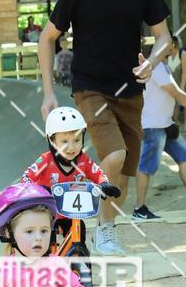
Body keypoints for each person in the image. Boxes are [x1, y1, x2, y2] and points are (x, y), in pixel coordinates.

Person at [39, 0, 172, 255]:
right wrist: (49, 92)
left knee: (123, 174)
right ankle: (94, 219)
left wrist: (152, 63)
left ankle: (100, 221)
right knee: (113, 154)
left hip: (131, 90)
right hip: (90, 87)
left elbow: (164, 39)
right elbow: (46, 38)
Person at [133, 48, 186, 219]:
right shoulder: (155, 67)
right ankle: (139, 208)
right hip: (153, 126)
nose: (171, 48)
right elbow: (177, 94)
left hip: (166, 124)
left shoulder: (160, 66)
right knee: (146, 167)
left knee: (184, 156)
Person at [20, 105, 121, 246]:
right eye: (64, 141)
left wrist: (104, 184)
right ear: (52, 141)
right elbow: (25, 178)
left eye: (77, 140)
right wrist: (38, 190)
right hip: (46, 214)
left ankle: (79, 259)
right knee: (46, 243)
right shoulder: (45, 160)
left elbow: (98, 173)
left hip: (72, 215)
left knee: (79, 235)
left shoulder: (83, 161)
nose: (71, 147)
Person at [166, 35, 186, 131]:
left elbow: (185, 72)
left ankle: (185, 124)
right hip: (175, 80)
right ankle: (176, 122)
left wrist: (182, 87)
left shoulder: (183, 53)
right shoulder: (168, 54)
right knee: (174, 102)